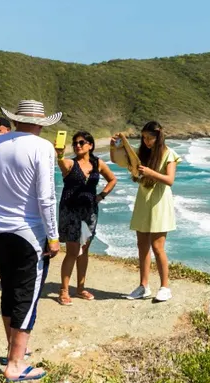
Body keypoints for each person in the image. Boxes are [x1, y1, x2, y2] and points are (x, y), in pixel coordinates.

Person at [0, 100, 62, 382]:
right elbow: (46, 196)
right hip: (29, 230)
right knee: (27, 296)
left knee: (8, 290)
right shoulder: (41, 147)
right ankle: (16, 363)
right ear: (41, 122)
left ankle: (14, 350)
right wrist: (53, 236)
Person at [116, 121, 181, 303]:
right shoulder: (141, 154)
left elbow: (170, 180)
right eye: (144, 138)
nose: (146, 141)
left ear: (158, 136)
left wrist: (151, 173)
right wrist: (116, 147)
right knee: (142, 245)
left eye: (150, 138)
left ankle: (165, 287)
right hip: (143, 200)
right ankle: (143, 286)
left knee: (158, 247)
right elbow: (119, 160)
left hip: (160, 201)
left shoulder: (169, 154)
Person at [55, 131, 116, 305]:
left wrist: (101, 196)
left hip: (89, 212)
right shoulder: (69, 164)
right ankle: (64, 290)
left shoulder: (98, 164)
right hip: (71, 211)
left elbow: (112, 179)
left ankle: (80, 288)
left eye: (81, 142)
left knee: (84, 250)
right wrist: (59, 152)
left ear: (90, 144)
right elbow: (61, 161)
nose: (77, 146)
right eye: (75, 143)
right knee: (73, 251)